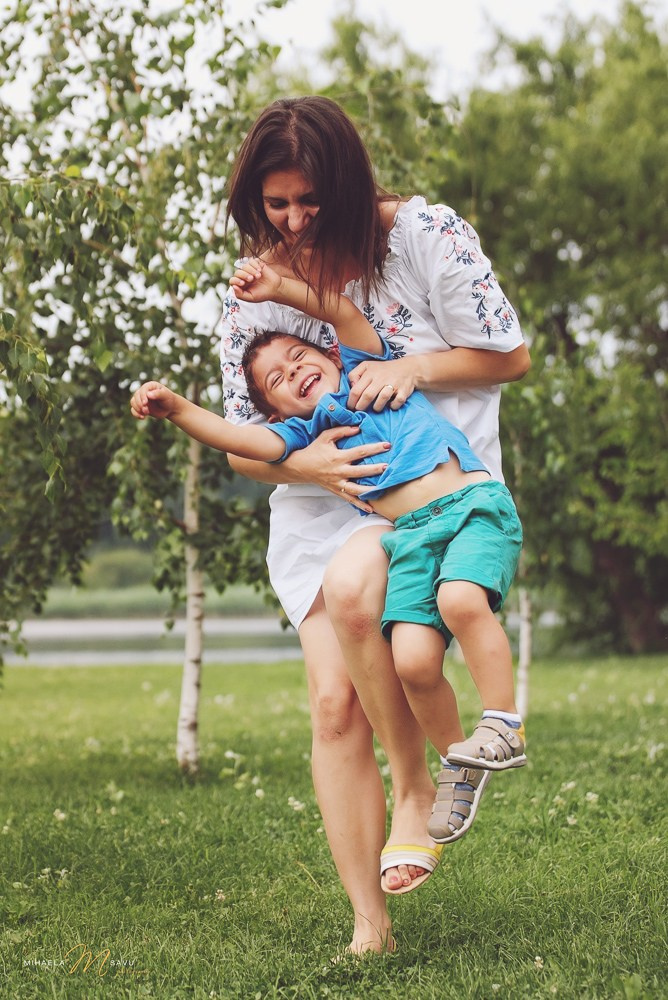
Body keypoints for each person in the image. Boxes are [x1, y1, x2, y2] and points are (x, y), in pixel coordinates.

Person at [218, 97, 530, 954]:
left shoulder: (424, 234)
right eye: (274, 205)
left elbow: (512, 354)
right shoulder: (257, 285)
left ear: (349, 181)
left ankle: (414, 783)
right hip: (319, 493)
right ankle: (370, 924)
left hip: (428, 475)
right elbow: (246, 447)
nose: (291, 222)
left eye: (308, 201)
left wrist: (412, 367)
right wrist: (308, 465)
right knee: (329, 703)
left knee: (358, 596)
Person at [131, 260, 526, 801]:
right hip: (410, 535)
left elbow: (339, 310)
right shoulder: (302, 434)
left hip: (471, 506)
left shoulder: (368, 368)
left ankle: (503, 722)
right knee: (411, 661)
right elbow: (239, 442)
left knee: (460, 601)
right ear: (277, 413)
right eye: (277, 380)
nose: (293, 372)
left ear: (330, 354)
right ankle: (460, 763)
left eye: (299, 357)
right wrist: (175, 408)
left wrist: (279, 290)